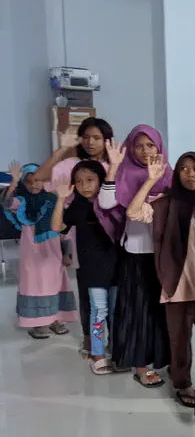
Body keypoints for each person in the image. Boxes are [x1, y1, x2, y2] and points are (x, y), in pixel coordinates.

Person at [126, 152, 195, 407]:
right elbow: (134, 212)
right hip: (178, 282)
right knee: (179, 338)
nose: (190, 174)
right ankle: (183, 382)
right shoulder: (166, 203)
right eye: (183, 169)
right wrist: (150, 181)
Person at [97, 126, 173, 386]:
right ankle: (141, 366)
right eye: (139, 145)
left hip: (164, 256)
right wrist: (113, 169)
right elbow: (107, 204)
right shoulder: (125, 172)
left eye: (150, 145)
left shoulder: (169, 172)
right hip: (137, 254)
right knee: (139, 313)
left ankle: (164, 360)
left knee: (162, 312)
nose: (145, 151)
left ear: (159, 147)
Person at [38, 118, 114, 355]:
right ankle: (93, 342)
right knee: (91, 297)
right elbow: (41, 176)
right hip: (82, 235)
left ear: (107, 140)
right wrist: (63, 149)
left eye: (97, 137)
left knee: (114, 300)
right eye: (86, 137)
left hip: (112, 244)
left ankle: (117, 344)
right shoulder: (73, 164)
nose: (91, 142)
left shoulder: (116, 164)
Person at [50, 160, 120, 375]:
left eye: (90, 180)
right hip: (92, 270)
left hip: (118, 268)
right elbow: (57, 227)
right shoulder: (78, 207)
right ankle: (97, 354)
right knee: (98, 312)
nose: (84, 185)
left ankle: (117, 352)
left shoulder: (111, 202)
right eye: (78, 181)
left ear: (101, 179)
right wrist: (61, 199)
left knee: (117, 313)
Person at [3, 161, 78, 338]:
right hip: (31, 251)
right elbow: (6, 202)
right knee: (33, 283)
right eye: (28, 181)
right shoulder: (21, 201)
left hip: (53, 249)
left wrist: (67, 252)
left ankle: (54, 318)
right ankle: (35, 322)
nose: (33, 185)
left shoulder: (53, 199)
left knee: (54, 281)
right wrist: (13, 182)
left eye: (37, 180)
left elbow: (65, 230)